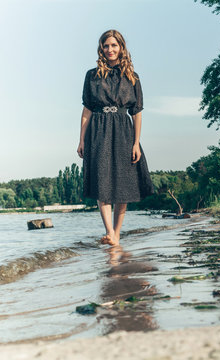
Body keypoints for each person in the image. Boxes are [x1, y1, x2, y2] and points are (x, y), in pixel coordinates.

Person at [77, 29, 154, 246]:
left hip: (123, 130)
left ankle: (116, 234)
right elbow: (86, 111)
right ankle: (109, 232)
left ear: (121, 47)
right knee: (102, 182)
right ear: (101, 48)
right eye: (106, 45)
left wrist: (136, 142)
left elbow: (137, 112)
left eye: (114, 45)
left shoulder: (132, 77)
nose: (110, 49)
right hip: (98, 130)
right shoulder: (91, 76)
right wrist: (82, 139)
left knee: (123, 184)